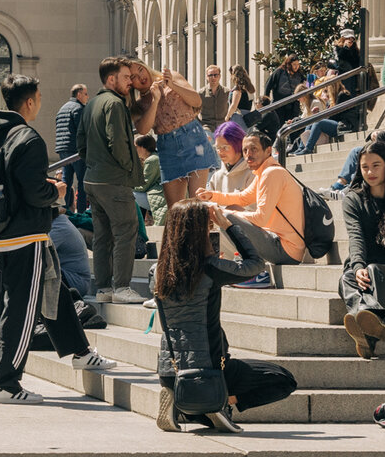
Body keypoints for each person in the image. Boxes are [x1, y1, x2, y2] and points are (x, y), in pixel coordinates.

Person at [0, 76, 113, 405]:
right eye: (38, 96)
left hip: (6, 234)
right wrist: (57, 190)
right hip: (26, 235)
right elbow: (34, 191)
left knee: (54, 288)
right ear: (29, 102)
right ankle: (5, 382)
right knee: (22, 310)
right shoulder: (28, 138)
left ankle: (79, 350)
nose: (41, 101)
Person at [152, 200, 242, 435]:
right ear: (198, 230)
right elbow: (255, 263)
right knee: (280, 379)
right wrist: (229, 226)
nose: (211, 227)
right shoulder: (211, 268)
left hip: (169, 368)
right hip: (208, 366)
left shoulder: (158, 271)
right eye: (207, 224)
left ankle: (180, 400)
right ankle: (216, 404)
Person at [200, 127, 309, 290]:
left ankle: (258, 273)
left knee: (227, 217)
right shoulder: (265, 172)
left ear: (268, 151)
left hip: (286, 249)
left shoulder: (271, 174)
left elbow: (260, 218)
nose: (248, 155)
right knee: (229, 212)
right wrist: (211, 196)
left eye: (254, 149)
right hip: (279, 242)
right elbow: (242, 198)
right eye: (245, 150)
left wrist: (225, 214)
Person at [336, 142, 385, 359]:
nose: (370, 172)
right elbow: (355, 236)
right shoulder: (353, 199)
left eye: (376, 165)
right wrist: (358, 266)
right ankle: (369, 330)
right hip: (365, 268)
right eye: (364, 167)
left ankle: (365, 320)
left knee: (373, 270)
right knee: (347, 278)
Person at [81, 56, 148, 300]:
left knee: (102, 236)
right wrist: (129, 167)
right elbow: (118, 142)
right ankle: (121, 287)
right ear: (111, 79)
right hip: (113, 180)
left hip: (93, 179)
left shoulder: (91, 104)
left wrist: (95, 164)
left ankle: (104, 288)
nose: (130, 81)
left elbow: (81, 143)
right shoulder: (115, 104)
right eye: (126, 77)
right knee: (126, 230)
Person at [143, 65, 220, 209]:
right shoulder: (140, 98)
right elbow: (143, 129)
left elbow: (197, 102)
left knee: (197, 204)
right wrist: (154, 100)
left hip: (195, 137)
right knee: (176, 209)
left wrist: (171, 84)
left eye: (141, 70)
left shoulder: (171, 76)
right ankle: (182, 231)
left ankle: (201, 230)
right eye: (133, 76)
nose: (139, 77)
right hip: (168, 145)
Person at [55, 85, 89, 216]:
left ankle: (64, 211)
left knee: (66, 182)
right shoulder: (79, 108)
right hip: (76, 151)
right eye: (86, 94)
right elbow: (83, 130)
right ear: (79, 94)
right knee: (82, 182)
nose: (87, 97)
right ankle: (81, 213)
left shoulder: (62, 108)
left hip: (63, 150)